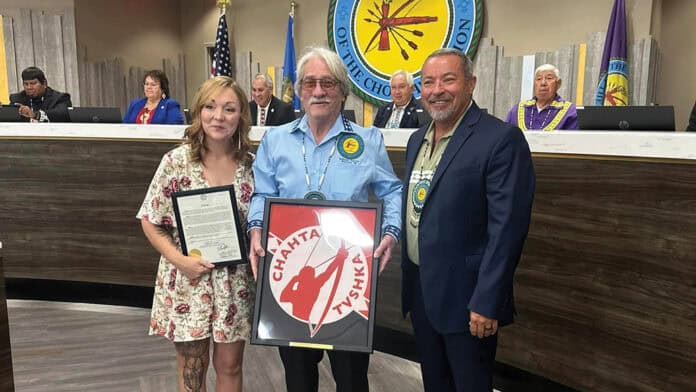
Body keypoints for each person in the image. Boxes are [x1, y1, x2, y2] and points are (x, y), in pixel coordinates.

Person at [247, 46, 402, 392]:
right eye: (310, 83)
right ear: (299, 91)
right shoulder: (275, 141)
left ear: (343, 90)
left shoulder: (367, 140)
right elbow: (262, 195)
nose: (318, 91)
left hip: (351, 280)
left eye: (328, 83)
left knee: (351, 379)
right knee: (298, 379)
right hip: (287, 268)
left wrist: (391, 232)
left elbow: (393, 191)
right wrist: (256, 228)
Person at [402, 48, 535, 391]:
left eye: (448, 79)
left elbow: (507, 229)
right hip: (422, 291)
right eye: (428, 82)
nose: (436, 89)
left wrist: (487, 300)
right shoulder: (417, 139)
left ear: (471, 84)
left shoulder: (500, 139)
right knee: (435, 383)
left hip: (469, 299)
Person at [136, 76, 254, 392]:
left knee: (231, 367)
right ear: (198, 112)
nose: (219, 116)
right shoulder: (176, 162)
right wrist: (180, 260)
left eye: (229, 109)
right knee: (193, 369)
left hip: (235, 283)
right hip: (188, 280)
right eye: (210, 107)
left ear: (241, 115)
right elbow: (150, 220)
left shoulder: (251, 165)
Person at [504, 63, 578, 130]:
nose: (543, 83)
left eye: (549, 78)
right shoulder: (517, 110)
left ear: (558, 83)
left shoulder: (570, 111)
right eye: (539, 79)